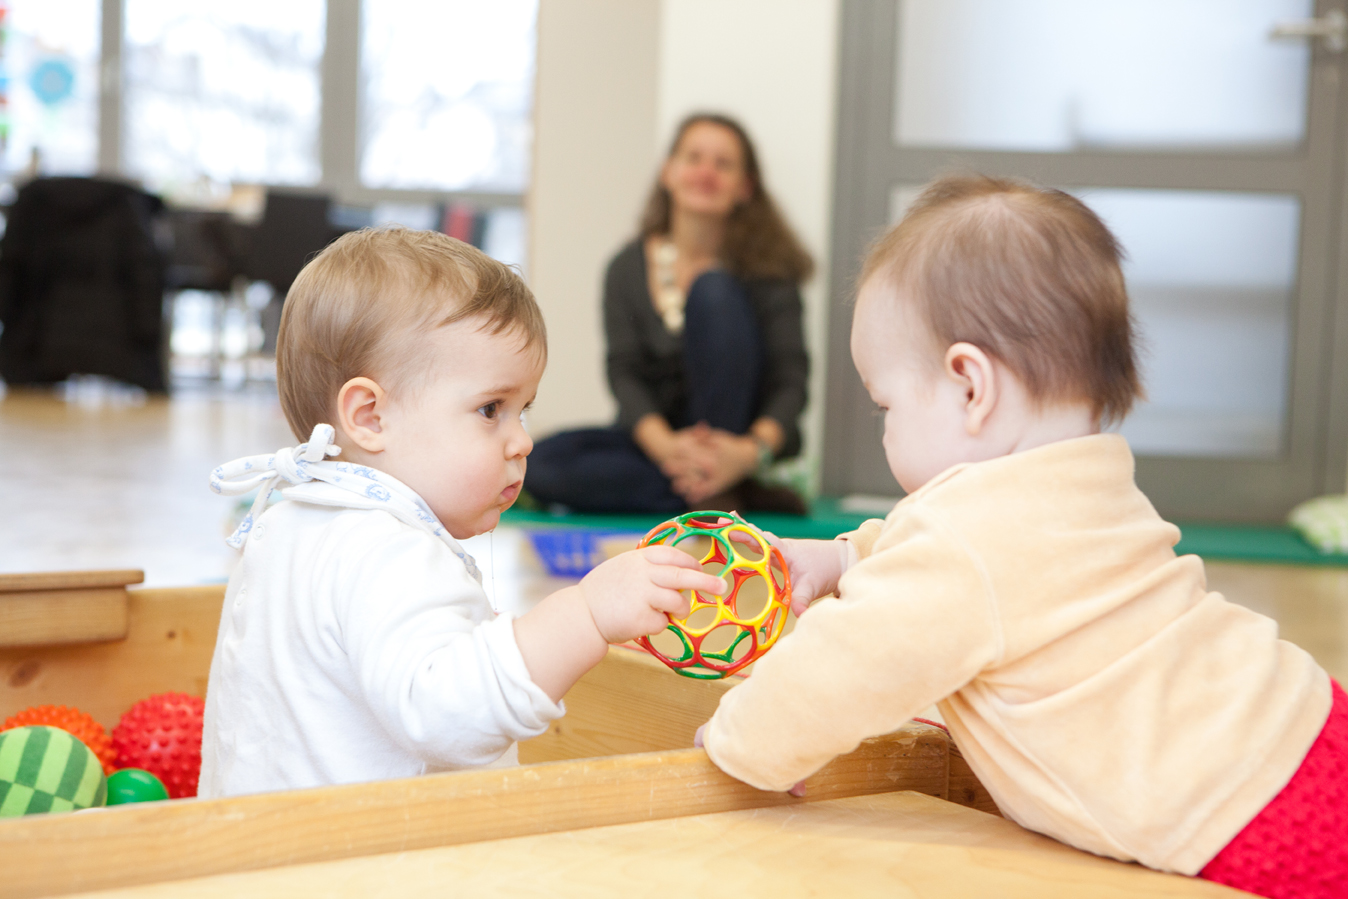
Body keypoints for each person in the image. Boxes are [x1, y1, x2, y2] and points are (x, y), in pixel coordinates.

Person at [696, 175, 1346, 898]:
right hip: (1302, 720)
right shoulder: (1088, 484)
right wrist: (847, 555)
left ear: (971, 387)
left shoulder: (965, 545)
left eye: (887, 406)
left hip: (1254, 813)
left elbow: (838, 672)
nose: (885, 430)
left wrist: (737, 742)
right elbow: (971, 568)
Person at [199, 229, 726, 797]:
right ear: (370, 416)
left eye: (523, 410)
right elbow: (448, 716)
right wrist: (587, 614)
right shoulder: (387, 551)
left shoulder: (285, 523)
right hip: (371, 847)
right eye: (491, 409)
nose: (522, 441)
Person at [526, 113, 812, 514]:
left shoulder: (770, 271)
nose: (706, 172)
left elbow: (791, 382)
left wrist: (747, 453)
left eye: (723, 164)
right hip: (659, 445)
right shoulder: (626, 267)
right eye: (694, 158)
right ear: (669, 172)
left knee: (712, 289)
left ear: (745, 187)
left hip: (740, 447)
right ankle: (718, 493)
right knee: (539, 463)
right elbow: (623, 371)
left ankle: (718, 480)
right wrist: (666, 447)